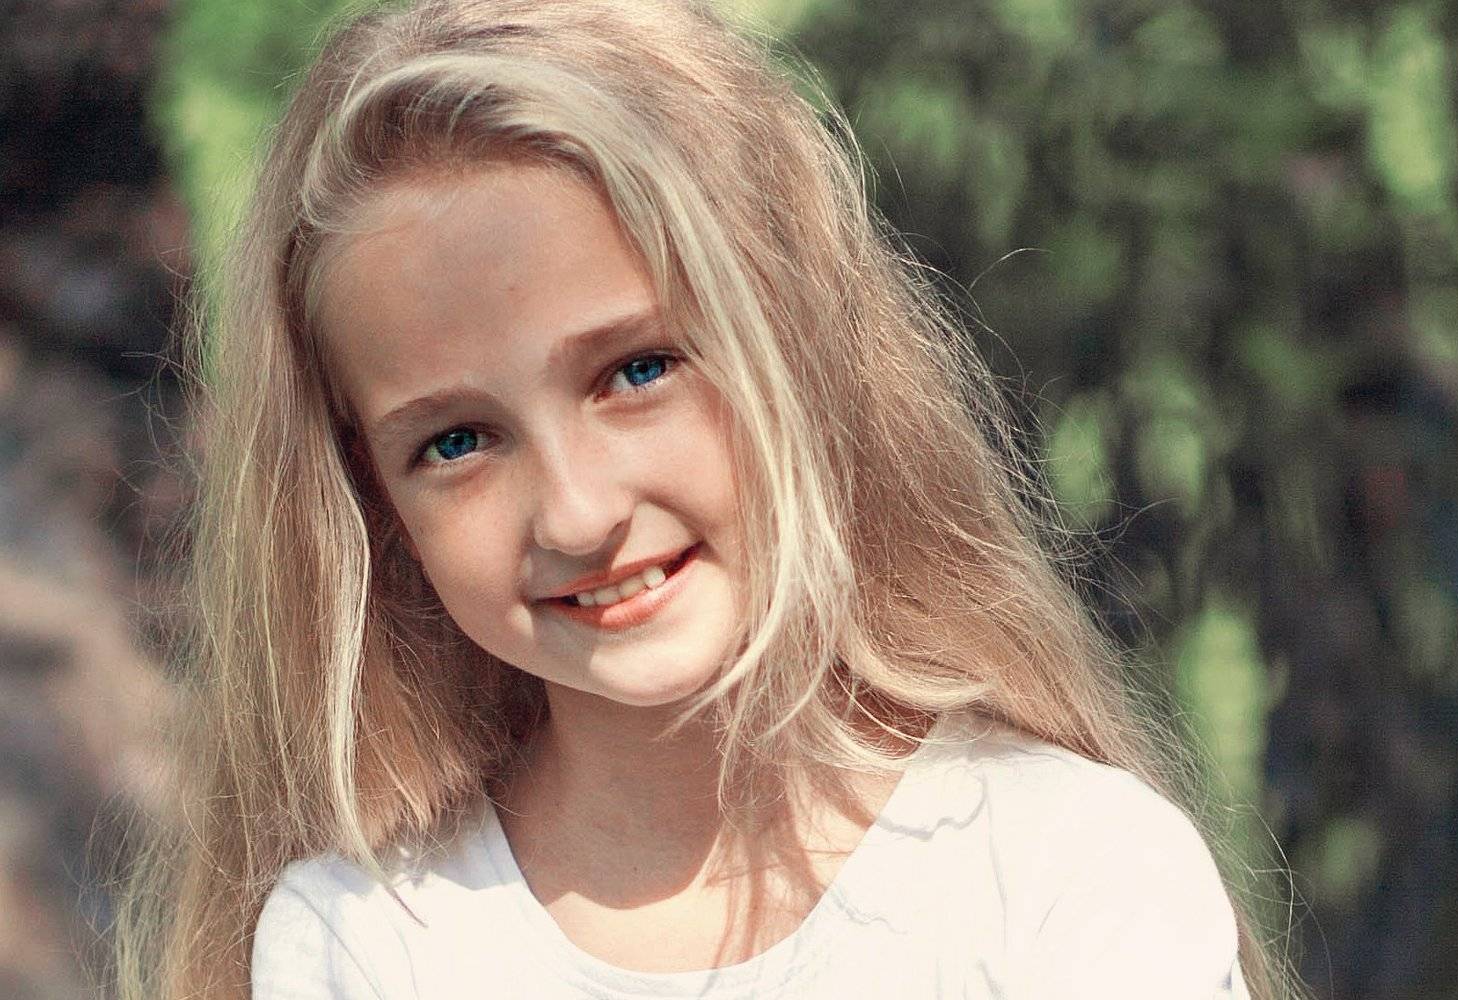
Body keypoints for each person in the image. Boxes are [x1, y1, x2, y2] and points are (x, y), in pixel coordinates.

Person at [114, 0, 1299, 997]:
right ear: (374, 508)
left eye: (636, 371)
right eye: (457, 441)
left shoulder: (1065, 874)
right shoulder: (363, 943)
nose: (577, 512)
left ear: (799, 344)